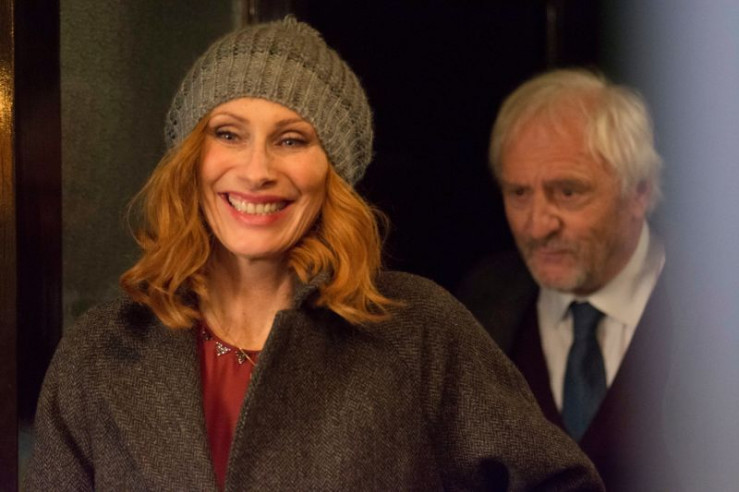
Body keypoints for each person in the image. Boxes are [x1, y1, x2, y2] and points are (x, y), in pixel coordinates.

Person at [26, 18, 602, 491]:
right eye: (228, 133)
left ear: (333, 175)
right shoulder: (101, 354)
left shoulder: (419, 331)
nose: (256, 169)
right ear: (190, 160)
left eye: (291, 140)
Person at [457, 69, 675, 490]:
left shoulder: (717, 306)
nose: (537, 226)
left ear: (640, 192)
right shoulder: (481, 302)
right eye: (519, 193)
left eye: (568, 192)